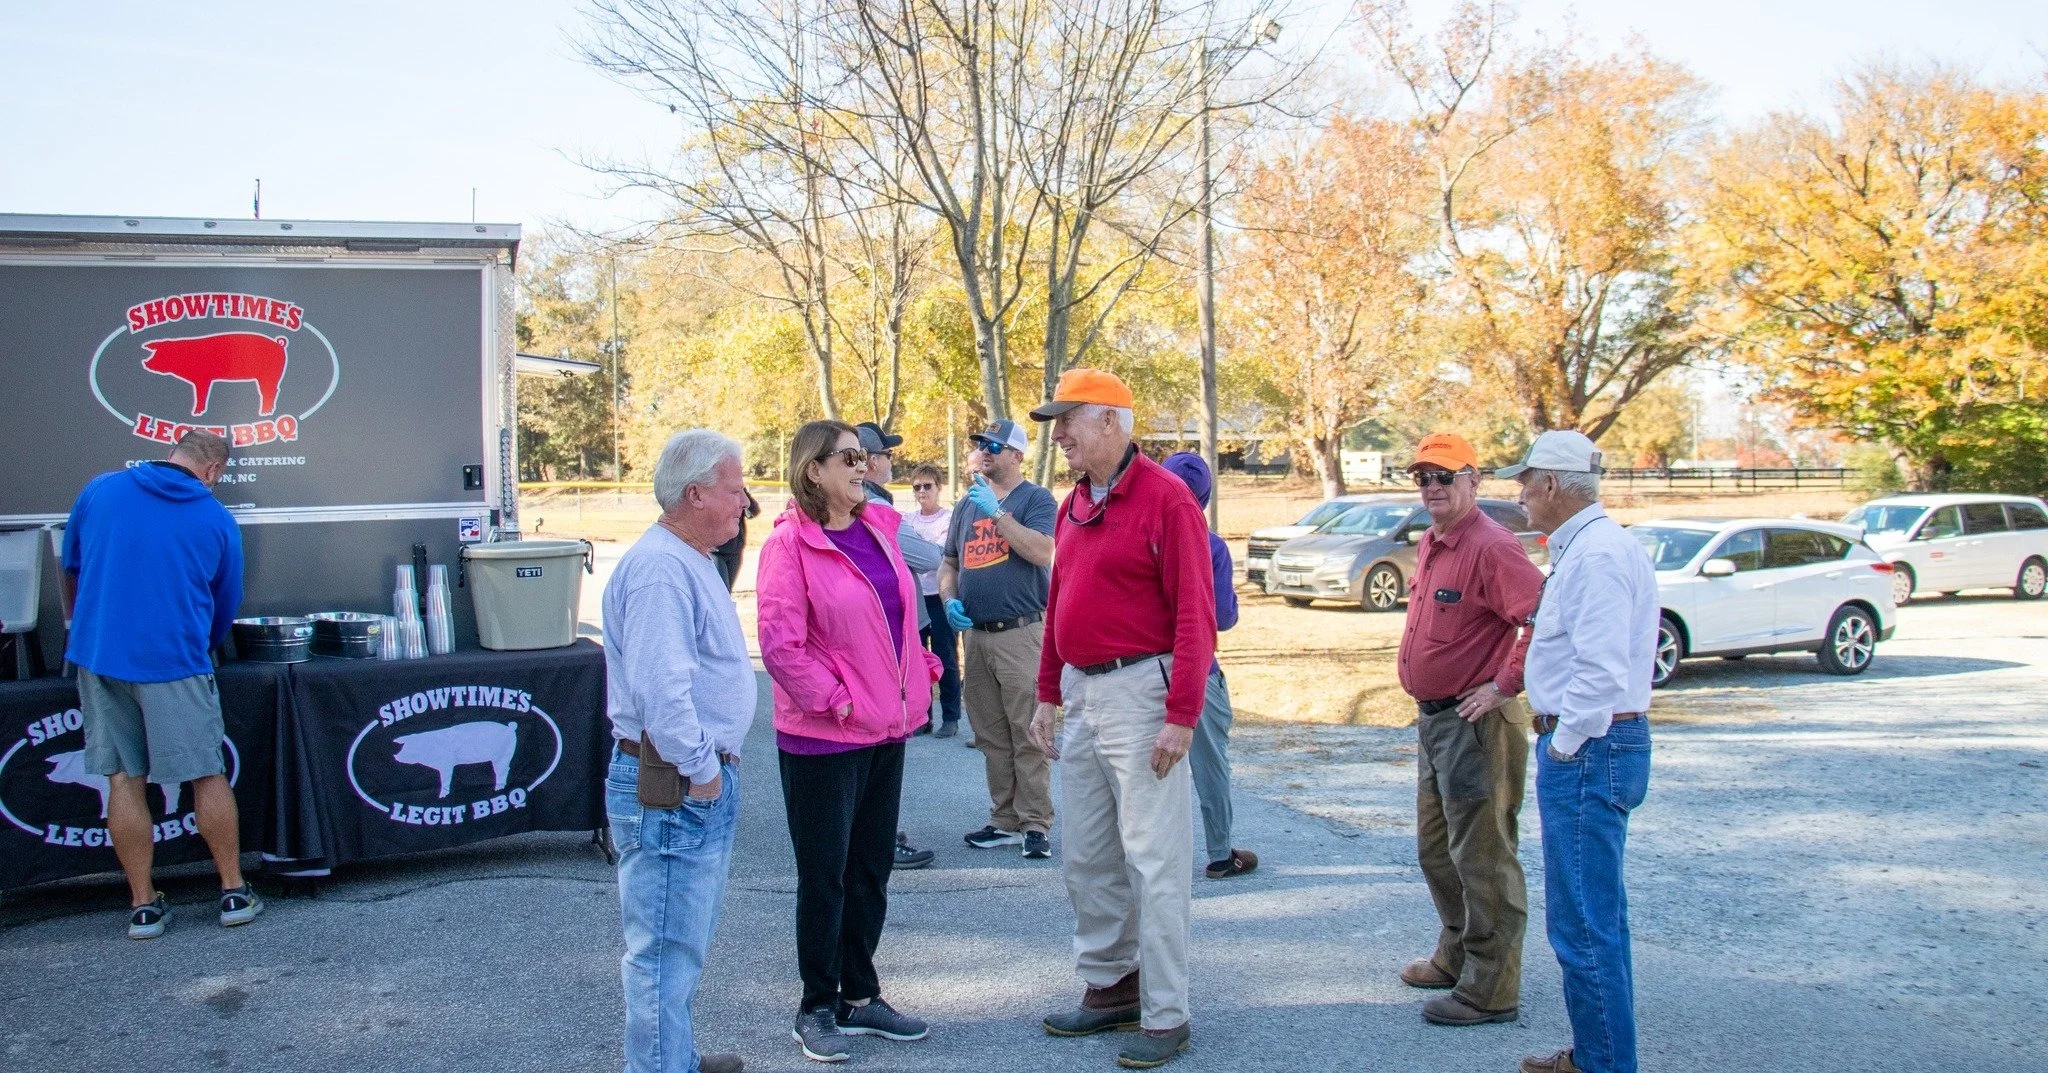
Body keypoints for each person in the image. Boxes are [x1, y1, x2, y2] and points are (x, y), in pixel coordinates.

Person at [1025, 370, 1217, 1070]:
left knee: (1154, 859)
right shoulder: (1074, 502)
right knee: (1088, 853)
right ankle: (1111, 985)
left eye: (1068, 419)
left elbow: (1196, 614)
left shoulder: (1167, 499)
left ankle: (1166, 1013)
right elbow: (1060, 599)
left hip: (1142, 694)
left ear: (1110, 420)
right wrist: (1048, 691)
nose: (1059, 435)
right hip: (1083, 692)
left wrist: (1182, 714)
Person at [756, 420, 943, 1064]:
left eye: (864, 457)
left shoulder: (879, 529)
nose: (863, 466)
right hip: (823, 738)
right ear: (813, 469)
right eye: (848, 457)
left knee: (870, 869)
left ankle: (860, 996)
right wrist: (838, 699)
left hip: (885, 729)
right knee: (825, 877)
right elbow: (781, 646)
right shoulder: (789, 545)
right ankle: (817, 1005)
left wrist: (921, 666)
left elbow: (897, 617)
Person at [1497, 430, 1657, 1073]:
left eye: (1525, 481)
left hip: (1590, 745)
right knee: (1592, 918)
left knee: (1583, 923)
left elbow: (1600, 667)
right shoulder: (1592, 548)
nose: (1520, 494)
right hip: (1592, 744)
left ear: (1552, 483)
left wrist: (1564, 746)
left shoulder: (1597, 555)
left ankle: (1604, 1064)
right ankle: (1599, 1055)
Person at [601, 429, 759, 1073]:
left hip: (684, 779)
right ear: (695, 494)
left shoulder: (685, 558)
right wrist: (701, 771)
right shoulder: (662, 571)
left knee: (677, 944)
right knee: (665, 949)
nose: (745, 502)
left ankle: (674, 1058)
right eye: (735, 489)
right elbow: (661, 690)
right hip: (672, 783)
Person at [60, 430, 257, 940]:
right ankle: (234, 892)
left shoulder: (101, 490)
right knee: (206, 775)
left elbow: (70, 567)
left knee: (123, 780)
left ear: (173, 454)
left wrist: (84, 631)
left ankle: (143, 906)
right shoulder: (216, 518)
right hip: (175, 661)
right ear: (213, 471)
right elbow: (224, 604)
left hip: (100, 657)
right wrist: (200, 647)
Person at [1392, 432, 1546, 1028]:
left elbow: (1543, 619)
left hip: (1476, 724)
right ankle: (1457, 954)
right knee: (1437, 849)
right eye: (1423, 477)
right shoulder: (1435, 540)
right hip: (1436, 721)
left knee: (1483, 855)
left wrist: (1505, 684)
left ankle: (1492, 987)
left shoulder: (1492, 545)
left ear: (1474, 480)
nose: (1431, 487)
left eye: (1444, 476)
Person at [940, 420, 1059, 860]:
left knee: (1028, 732)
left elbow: (1042, 551)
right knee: (990, 734)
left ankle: (1035, 824)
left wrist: (997, 514)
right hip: (977, 635)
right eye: (981, 445)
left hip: (1022, 633)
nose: (985, 451)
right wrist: (949, 598)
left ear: (1017, 456)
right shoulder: (965, 505)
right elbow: (949, 564)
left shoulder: (1036, 499)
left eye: (995, 445)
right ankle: (1004, 820)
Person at [1158, 452, 1258, 881]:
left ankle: (1154, 853)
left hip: (1141, 668)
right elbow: (1223, 616)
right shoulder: (1211, 544)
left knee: (1147, 765)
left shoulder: (1144, 534)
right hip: (1196, 668)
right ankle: (1219, 854)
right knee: (1211, 764)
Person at [853, 420, 939, 869]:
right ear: (869, 462)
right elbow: (927, 556)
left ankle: (875, 834)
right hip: (887, 635)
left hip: (877, 631)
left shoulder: (860, 503)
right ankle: (881, 836)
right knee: (884, 738)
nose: (891, 461)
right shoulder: (874, 506)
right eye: (885, 454)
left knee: (879, 738)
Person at [903, 463, 963, 737]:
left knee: (945, 656)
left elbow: (943, 557)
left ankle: (950, 717)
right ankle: (922, 717)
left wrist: (920, 551)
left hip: (941, 596)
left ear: (939, 487)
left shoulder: (948, 519)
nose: (922, 491)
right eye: (917, 487)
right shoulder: (907, 520)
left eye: (927, 486)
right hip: (917, 597)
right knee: (917, 660)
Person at [711, 488, 760, 592]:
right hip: (717, 552)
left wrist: (742, 492)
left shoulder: (740, 491)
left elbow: (753, 512)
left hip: (735, 550)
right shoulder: (714, 488)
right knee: (721, 592)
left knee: (727, 593)